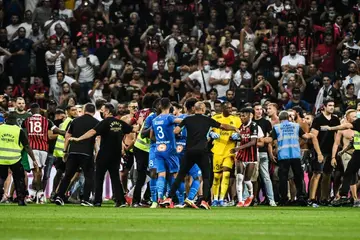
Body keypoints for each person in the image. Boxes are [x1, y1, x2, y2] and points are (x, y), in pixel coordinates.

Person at [162, 101, 239, 210]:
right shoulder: (207, 119)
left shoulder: (187, 119)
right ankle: (204, 201)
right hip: (202, 152)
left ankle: (169, 198)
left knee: (181, 175)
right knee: (207, 177)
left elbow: (176, 131)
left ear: (194, 109)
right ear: (203, 110)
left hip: (189, 152)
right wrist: (234, 128)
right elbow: (222, 126)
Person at [69, 103, 139, 207]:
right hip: (116, 155)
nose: (101, 112)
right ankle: (120, 201)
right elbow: (135, 129)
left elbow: (92, 132)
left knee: (99, 177)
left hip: (104, 154)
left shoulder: (105, 122)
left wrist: (79, 139)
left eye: (103, 110)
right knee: (115, 177)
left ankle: (97, 201)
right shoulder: (120, 123)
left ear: (107, 111)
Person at [269, 111, 323, 205]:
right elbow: (305, 136)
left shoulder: (276, 127)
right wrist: (311, 135)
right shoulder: (296, 126)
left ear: (280, 119)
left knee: (283, 178)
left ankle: (284, 199)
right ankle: (301, 197)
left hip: (283, 156)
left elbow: (271, 140)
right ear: (288, 118)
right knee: (298, 177)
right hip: (295, 155)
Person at [55, 103, 99, 206]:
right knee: (89, 177)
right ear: (94, 112)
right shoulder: (96, 123)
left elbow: (67, 136)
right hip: (87, 153)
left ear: (84, 110)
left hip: (73, 152)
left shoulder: (75, 121)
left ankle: (59, 197)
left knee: (68, 176)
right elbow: (97, 139)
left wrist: (65, 151)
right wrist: (97, 153)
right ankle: (85, 200)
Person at [22, 103, 65, 203]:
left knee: (36, 172)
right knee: (39, 172)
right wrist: (68, 133)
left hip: (32, 149)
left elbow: (21, 132)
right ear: (39, 110)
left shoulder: (26, 121)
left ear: (31, 111)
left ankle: (40, 194)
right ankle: (33, 195)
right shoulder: (47, 121)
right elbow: (58, 131)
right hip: (44, 149)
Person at [0, 112, 38, 206]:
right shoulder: (18, 130)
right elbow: (27, 146)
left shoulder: (0, 128)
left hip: (1, 158)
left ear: (6, 119)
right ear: (16, 120)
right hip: (15, 159)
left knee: (1, 178)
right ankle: (21, 200)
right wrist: (33, 159)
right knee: (19, 179)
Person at [149, 98, 182, 205]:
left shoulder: (154, 119)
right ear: (169, 106)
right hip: (170, 149)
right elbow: (181, 121)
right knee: (175, 174)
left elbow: (151, 136)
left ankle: (159, 198)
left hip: (158, 149)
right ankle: (180, 200)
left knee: (161, 174)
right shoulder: (169, 117)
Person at [308, 99, 340, 206]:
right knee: (317, 173)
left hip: (330, 151)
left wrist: (334, 155)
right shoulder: (318, 119)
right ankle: (311, 199)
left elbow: (336, 138)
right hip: (319, 150)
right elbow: (314, 137)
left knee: (327, 174)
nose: (332, 107)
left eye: (333, 105)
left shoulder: (335, 119)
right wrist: (319, 153)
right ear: (324, 107)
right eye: (330, 105)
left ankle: (324, 198)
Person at [209, 102, 241, 207]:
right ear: (223, 108)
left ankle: (222, 199)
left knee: (226, 174)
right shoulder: (215, 117)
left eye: (231, 108)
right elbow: (208, 130)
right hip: (217, 150)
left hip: (229, 150)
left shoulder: (236, 119)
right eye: (228, 108)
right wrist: (211, 134)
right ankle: (215, 199)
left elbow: (241, 131)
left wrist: (238, 135)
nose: (230, 110)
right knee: (217, 176)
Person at [253, 103, 277, 206]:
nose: (259, 111)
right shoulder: (251, 122)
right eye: (257, 109)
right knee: (253, 178)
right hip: (252, 153)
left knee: (266, 177)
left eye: (260, 109)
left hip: (263, 152)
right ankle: (252, 199)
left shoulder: (266, 122)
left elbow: (270, 139)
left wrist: (270, 152)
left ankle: (271, 199)